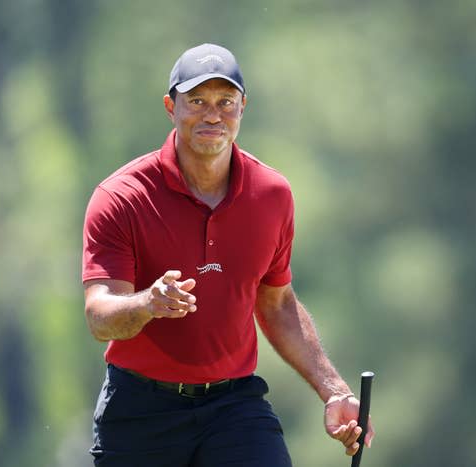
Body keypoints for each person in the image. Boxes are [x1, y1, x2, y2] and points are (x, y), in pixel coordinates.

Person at [82, 43, 374, 467]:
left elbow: (276, 303)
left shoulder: (272, 194)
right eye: (197, 101)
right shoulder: (121, 197)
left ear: (243, 107)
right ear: (171, 107)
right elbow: (99, 317)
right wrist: (148, 303)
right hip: (140, 410)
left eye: (226, 102)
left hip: (233, 407)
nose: (213, 115)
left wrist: (334, 391)